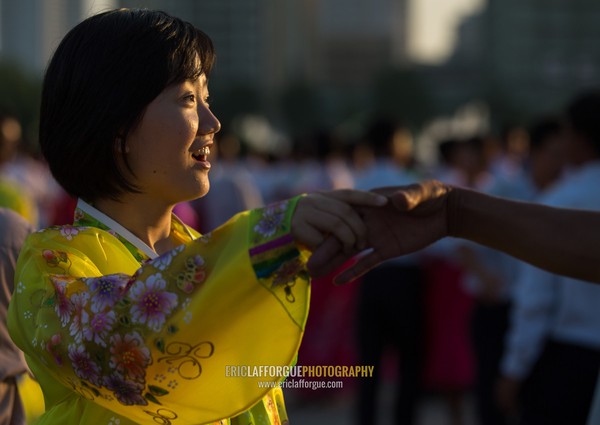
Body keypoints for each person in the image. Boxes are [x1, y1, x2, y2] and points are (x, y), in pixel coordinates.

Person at [6, 9, 387, 425]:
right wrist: (269, 237)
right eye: (189, 99)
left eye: (207, 98)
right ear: (117, 128)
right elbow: (120, 342)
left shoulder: (205, 250)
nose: (213, 122)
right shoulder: (51, 266)